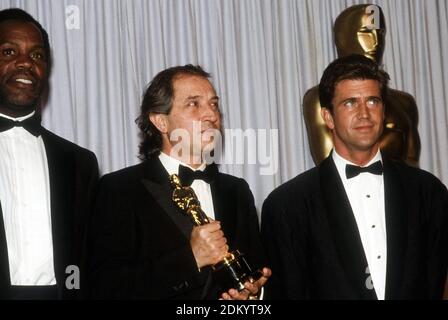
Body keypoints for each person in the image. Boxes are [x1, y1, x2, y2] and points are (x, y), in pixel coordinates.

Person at [261, 54, 448, 299]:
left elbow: (435, 282)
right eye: (350, 103)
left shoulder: (429, 192)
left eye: (372, 101)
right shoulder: (286, 206)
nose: (364, 113)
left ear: (384, 110)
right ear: (328, 117)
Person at [89, 65, 271, 299]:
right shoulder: (118, 189)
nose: (212, 115)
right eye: (194, 104)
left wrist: (255, 293)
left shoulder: (237, 191)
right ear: (161, 122)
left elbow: (259, 271)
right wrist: (191, 258)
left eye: (213, 104)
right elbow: (105, 287)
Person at [0, 8, 99, 299]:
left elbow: (91, 258)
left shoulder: (80, 162)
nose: (25, 63)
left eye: (37, 55)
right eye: (8, 51)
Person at [303, 4, 420, 167]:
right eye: (365, 33)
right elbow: (329, 164)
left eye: (380, 34)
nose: (376, 42)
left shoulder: (405, 102)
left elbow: (413, 162)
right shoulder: (318, 98)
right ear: (343, 38)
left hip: (403, 189)